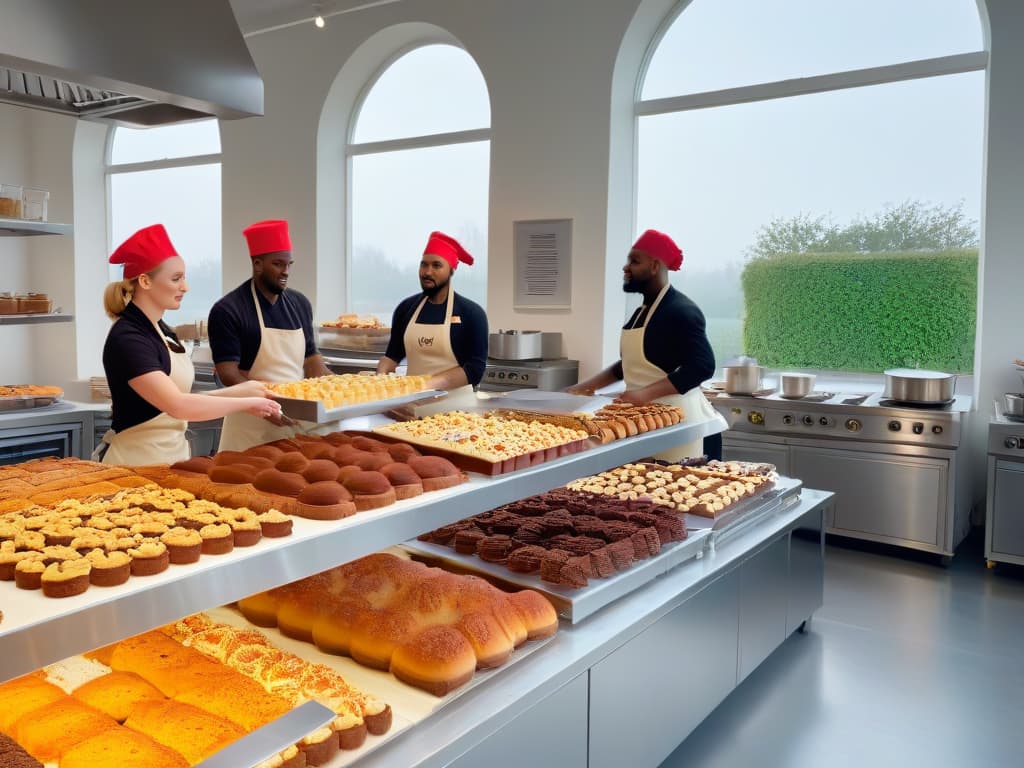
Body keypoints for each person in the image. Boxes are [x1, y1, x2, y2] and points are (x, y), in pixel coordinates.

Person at [99, 224, 282, 466]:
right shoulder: (129, 338)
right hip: (134, 465)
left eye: (184, 278)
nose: (185, 287)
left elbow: (177, 399)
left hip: (171, 461)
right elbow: (177, 405)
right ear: (144, 281)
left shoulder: (162, 331)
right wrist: (246, 403)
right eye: (176, 279)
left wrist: (243, 390)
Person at [567, 229, 727, 459]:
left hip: (684, 425)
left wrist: (644, 395)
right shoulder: (640, 313)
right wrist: (584, 388)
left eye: (634, 261)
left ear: (654, 266)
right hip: (648, 423)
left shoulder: (682, 311)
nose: (626, 267)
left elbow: (702, 366)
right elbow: (628, 365)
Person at [208, 219, 333, 451]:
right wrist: (265, 405)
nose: (285, 271)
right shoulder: (228, 310)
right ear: (257, 264)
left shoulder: (299, 304)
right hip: (250, 428)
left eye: (289, 264)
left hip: (295, 422)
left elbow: (311, 356)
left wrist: (337, 387)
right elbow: (228, 373)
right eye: (277, 264)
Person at [376, 231, 488, 413]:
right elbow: (392, 356)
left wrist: (426, 385)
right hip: (409, 409)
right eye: (424, 265)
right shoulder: (406, 308)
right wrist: (379, 380)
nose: (428, 272)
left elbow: (474, 370)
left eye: (437, 266)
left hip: (457, 412)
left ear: (451, 270)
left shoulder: (471, 313)